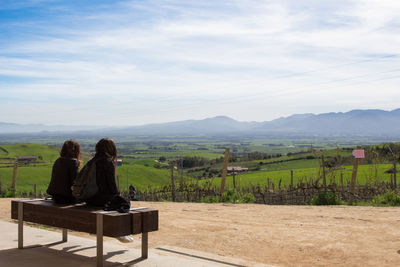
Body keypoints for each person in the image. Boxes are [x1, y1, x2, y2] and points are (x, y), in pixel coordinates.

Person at [84, 138, 133, 243]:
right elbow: (112, 186)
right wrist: (118, 196)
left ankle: (98, 229)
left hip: (89, 198)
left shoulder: (91, 161)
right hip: (101, 199)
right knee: (125, 203)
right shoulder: (107, 162)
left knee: (117, 202)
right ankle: (120, 232)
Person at [47, 139, 81, 204]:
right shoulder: (73, 162)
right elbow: (75, 182)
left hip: (55, 196)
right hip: (67, 198)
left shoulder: (58, 160)